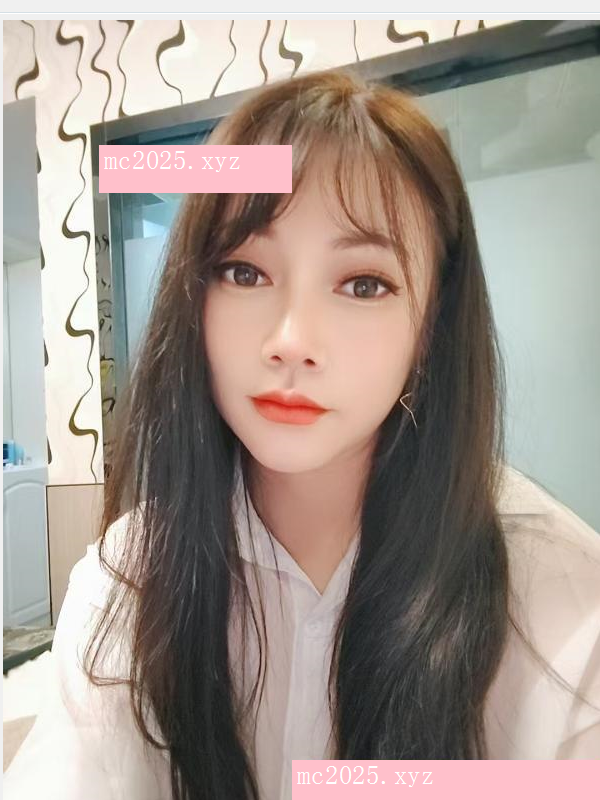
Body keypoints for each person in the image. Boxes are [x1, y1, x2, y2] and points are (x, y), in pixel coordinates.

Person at [4, 67, 600, 800]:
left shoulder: (562, 605)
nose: (291, 341)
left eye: (363, 284)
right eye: (244, 272)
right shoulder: (129, 578)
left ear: (431, 329)